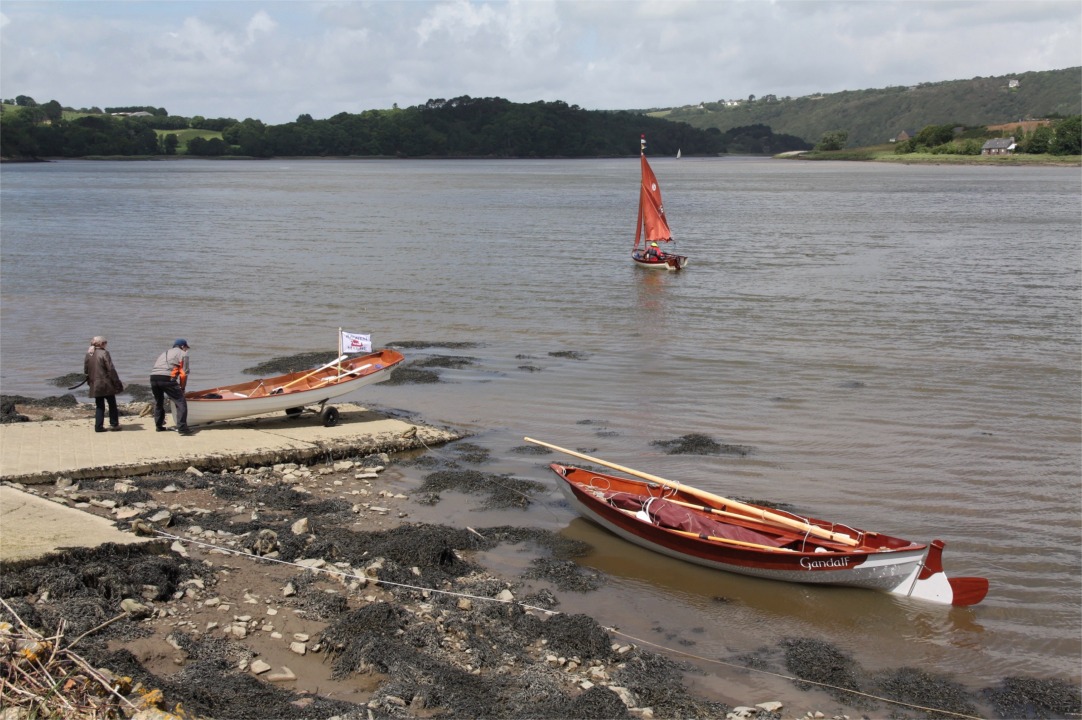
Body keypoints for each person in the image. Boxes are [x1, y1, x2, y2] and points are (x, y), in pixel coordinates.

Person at [151, 339, 193, 435]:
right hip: (167, 378)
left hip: (153, 377)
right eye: (186, 347)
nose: (187, 350)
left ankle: (159, 426)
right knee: (181, 402)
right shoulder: (183, 354)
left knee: (159, 401)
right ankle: (183, 428)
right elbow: (183, 374)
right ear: (182, 346)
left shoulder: (165, 353)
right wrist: (182, 388)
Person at [85, 336, 124, 432]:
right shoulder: (104, 353)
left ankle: (98, 426)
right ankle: (114, 425)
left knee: (99, 405)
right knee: (112, 404)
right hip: (106, 383)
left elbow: (86, 370)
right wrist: (116, 381)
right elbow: (110, 369)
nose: (106, 344)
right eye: (105, 342)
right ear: (101, 344)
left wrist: (89, 381)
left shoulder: (89, 354)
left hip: (94, 383)